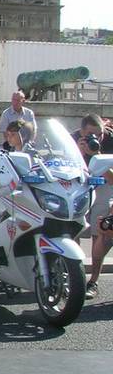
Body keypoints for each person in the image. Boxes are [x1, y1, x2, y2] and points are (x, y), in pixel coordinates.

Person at [72, 114, 113, 299]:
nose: (96, 138)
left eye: (100, 134)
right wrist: (80, 154)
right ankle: (75, 277)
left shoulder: (110, 140)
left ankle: (93, 280)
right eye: (91, 134)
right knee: (74, 229)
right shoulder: (72, 139)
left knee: (101, 231)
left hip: (104, 186)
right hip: (80, 185)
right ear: (82, 132)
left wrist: (96, 157)